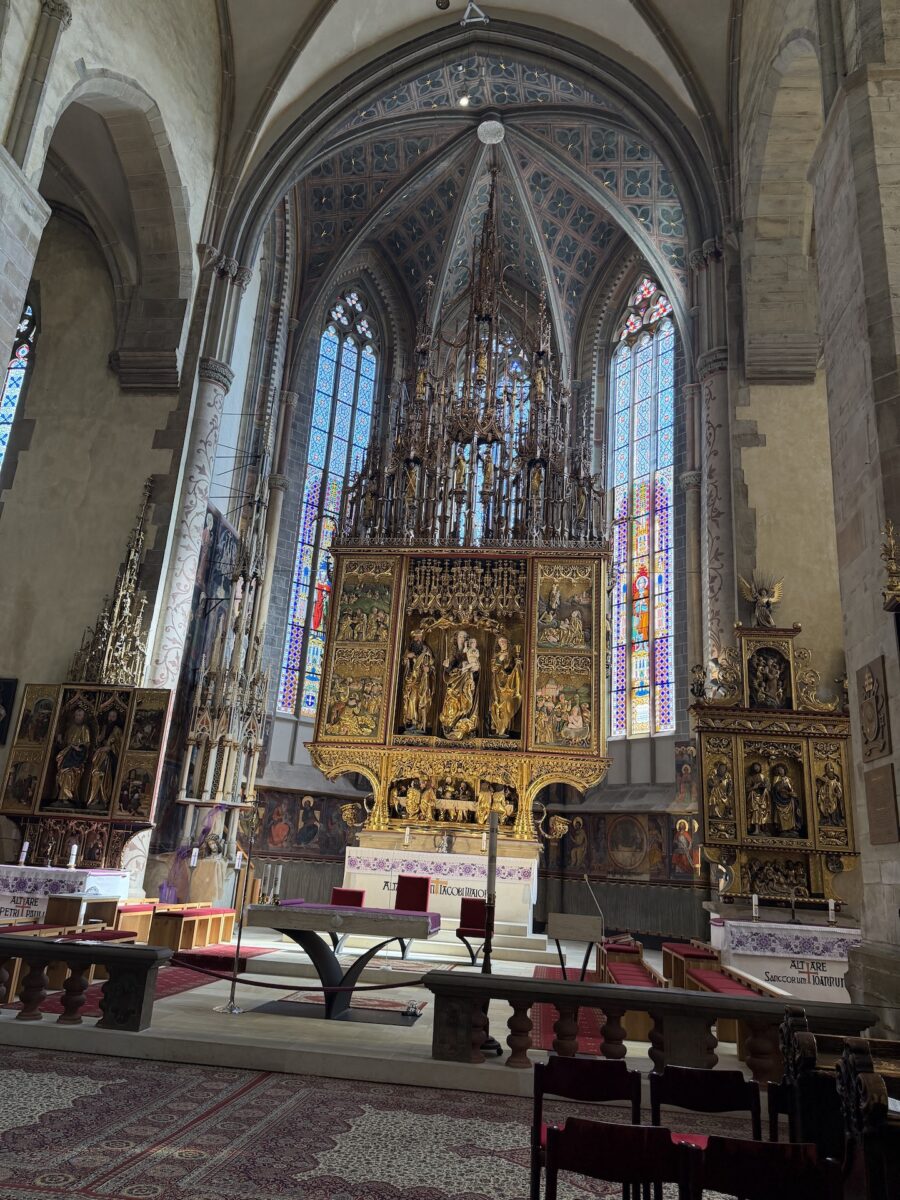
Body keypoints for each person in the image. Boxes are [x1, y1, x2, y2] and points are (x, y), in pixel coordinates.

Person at [87, 708, 123, 810]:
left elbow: (119, 746)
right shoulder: (104, 727)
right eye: (110, 716)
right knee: (96, 775)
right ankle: (94, 798)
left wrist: (109, 748)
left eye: (113, 717)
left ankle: (103, 798)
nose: (111, 718)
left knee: (103, 776)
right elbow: (98, 741)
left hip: (109, 758)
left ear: (116, 718)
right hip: (99, 755)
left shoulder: (117, 730)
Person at [55, 708, 91, 804]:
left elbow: (86, 744)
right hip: (67, 754)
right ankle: (62, 797)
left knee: (69, 774)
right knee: (62, 773)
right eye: (76, 715)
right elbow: (65, 744)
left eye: (80, 715)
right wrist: (60, 739)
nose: (78, 717)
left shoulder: (84, 728)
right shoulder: (70, 728)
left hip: (77, 758)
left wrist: (77, 747)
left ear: (83, 717)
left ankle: (66, 797)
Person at [489, 635, 522, 736]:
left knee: (507, 705)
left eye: (504, 641)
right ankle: (497, 728)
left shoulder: (512, 655)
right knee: (496, 704)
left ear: (507, 642)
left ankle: (505, 728)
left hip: (509, 684)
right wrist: (499, 660)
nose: (502, 643)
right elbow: (493, 668)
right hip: (497, 683)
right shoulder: (496, 655)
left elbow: (513, 669)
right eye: (500, 641)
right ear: (498, 644)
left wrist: (518, 664)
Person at [771, 763, 801, 835]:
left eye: (782, 769)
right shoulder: (776, 778)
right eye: (779, 770)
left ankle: (791, 828)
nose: (780, 771)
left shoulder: (788, 779)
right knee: (781, 814)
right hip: (779, 799)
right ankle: (782, 829)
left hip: (788, 799)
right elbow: (774, 789)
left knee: (791, 813)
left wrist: (792, 793)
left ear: (784, 770)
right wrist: (780, 785)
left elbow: (791, 789)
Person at [816, 762, 845, 826]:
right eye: (828, 772)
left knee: (835, 808)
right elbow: (821, 790)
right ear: (826, 772)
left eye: (831, 772)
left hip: (834, 799)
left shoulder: (836, 781)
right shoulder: (824, 780)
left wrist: (836, 793)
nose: (830, 774)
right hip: (826, 800)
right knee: (826, 808)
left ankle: (835, 821)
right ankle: (828, 820)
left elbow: (839, 791)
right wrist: (821, 790)